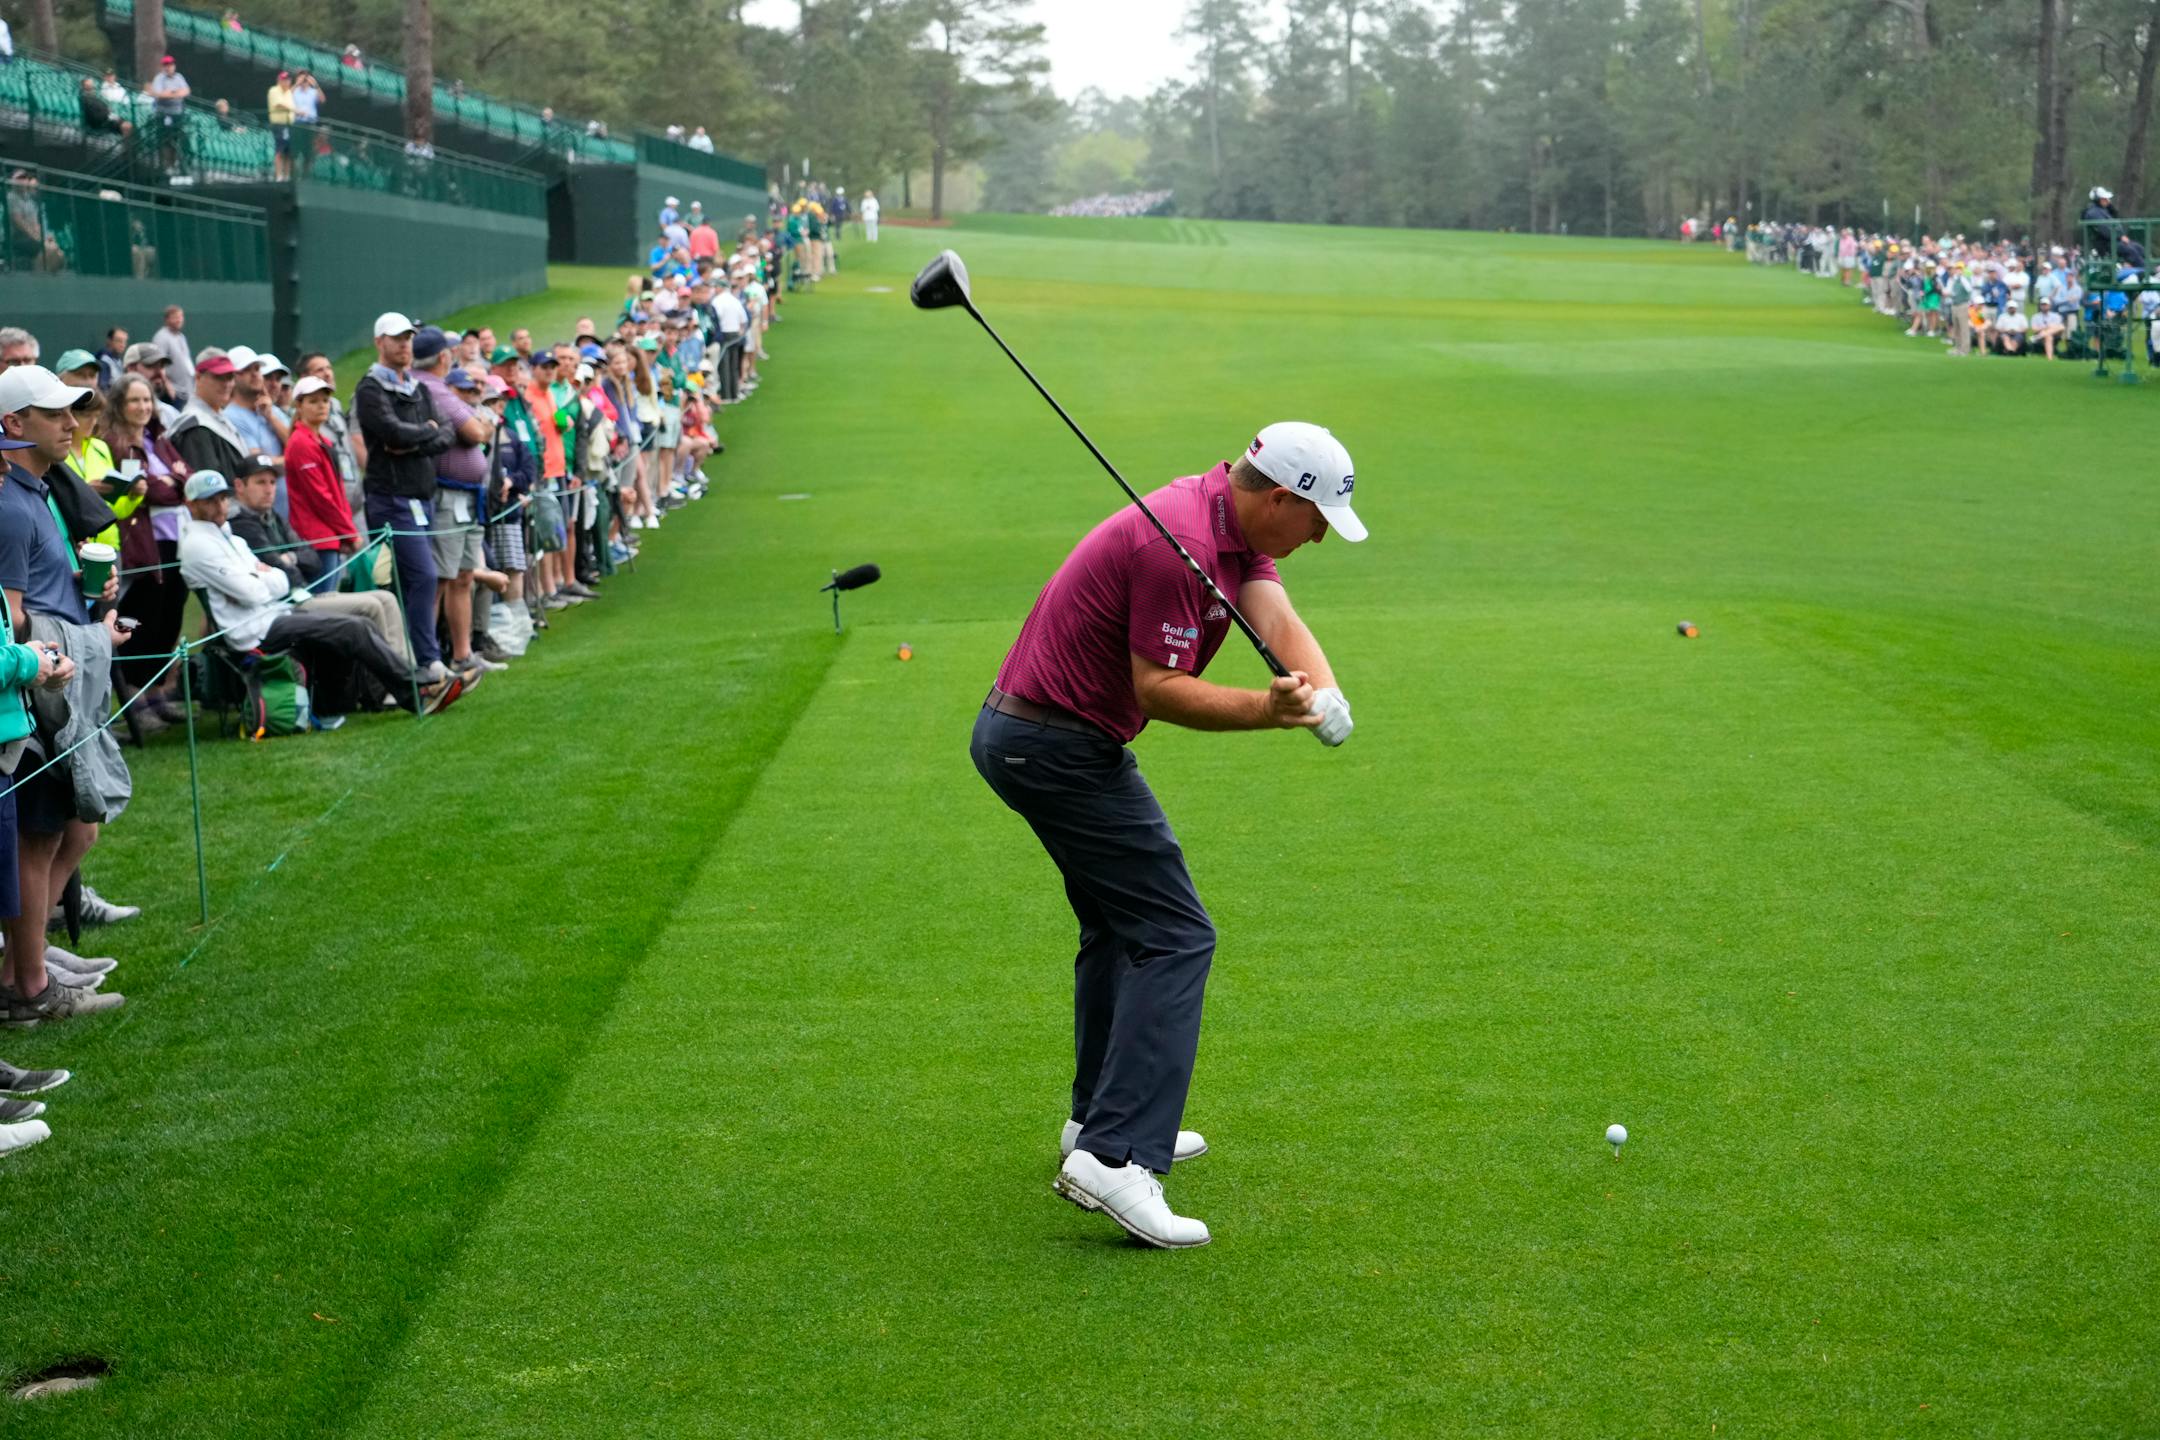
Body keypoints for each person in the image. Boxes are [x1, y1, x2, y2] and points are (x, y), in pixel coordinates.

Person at [970, 422, 1362, 1249]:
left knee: (1121, 928)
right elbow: (1160, 689)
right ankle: (1114, 1156)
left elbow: (1274, 613)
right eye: (1317, 518)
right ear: (1280, 499)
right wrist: (1270, 710)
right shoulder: (1176, 543)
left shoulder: (1229, 526)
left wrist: (1325, 692)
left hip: (1045, 739)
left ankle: (1097, 1121)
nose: (1320, 536)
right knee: (1176, 935)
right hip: (1054, 747)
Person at [0, 365, 125, 1027]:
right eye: (54, 414)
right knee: (42, 835)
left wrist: (83, 589)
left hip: (56, 679)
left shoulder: (38, 491)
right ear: (14, 423)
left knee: (70, 829)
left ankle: (29, 963)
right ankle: (28, 983)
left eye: (72, 412)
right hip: (37, 692)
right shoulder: (10, 506)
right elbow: (12, 616)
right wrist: (83, 641)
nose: (72, 424)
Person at [178, 471, 466, 719]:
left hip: (273, 615)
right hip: (253, 632)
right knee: (354, 627)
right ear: (190, 504)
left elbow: (277, 580)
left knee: (359, 625)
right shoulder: (198, 545)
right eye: (210, 500)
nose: (220, 505)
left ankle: (412, 690)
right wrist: (263, 578)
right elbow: (251, 592)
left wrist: (264, 579)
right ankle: (419, 691)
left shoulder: (231, 538)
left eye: (222, 498)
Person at [354, 312, 451, 679]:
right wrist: (424, 432)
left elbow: (446, 433)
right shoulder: (370, 389)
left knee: (417, 580)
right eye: (397, 338)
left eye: (408, 338)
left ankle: (415, 660)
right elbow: (392, 432)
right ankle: (425, 660)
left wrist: (415, 439)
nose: (405, 345)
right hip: (391, 498)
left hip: (420, 497)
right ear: (379, 342)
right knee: (421, 577)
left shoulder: (419, 388)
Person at [410, 333, 491, 678]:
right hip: (446, 495)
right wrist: (480, 425)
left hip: (467, 497)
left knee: (463, 576)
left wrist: (480, 426)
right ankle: (428, 659)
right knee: (440, 579)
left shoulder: (438, 386)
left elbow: (481, 428)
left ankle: (462, 655)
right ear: (443, 357)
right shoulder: (434, 387)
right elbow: (476, 431)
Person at [284, 374, 358, 580]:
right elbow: (320, 497)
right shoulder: (301, 443)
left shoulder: (321, 441)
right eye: (313, 401)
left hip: (330, 535)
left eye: (325, 400)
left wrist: (344, 532)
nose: (321, 406)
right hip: (317, 537)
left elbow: (335, 492)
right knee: (324, 597)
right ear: (299, 406)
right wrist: (349, 532)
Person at [146, 56, 190, 173]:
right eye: (166, 65)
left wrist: (171, 93)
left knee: (176, 138)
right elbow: (159, 94)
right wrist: (176, 93)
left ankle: (174, 164)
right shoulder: (159, 78)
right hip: (163, 114)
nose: (168, 67)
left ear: (174, 66)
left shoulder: (179, 77)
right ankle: (166, 165)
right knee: (165, 140)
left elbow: (186, 91)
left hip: (177, 113)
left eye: (170, 65)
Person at [154, 305, 193, 401]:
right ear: (167, 320)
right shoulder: (161, 337)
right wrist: (168, 385)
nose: (179, 320)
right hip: (173, 393)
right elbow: (158, 364)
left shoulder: (181, 337)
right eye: (175, 317)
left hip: (187, 392)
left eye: (180, 317)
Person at [267, 70, 297, 182]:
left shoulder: (289, 92)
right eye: (284, 79)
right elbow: (279, 104)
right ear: (279, 80)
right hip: (279, 124)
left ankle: (287, 176)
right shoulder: (274, 90)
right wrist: (295, 110)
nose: (287, 81)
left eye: (288, 80)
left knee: (289, 152)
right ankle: (279, 176)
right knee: (280, 149)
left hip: (289, 125)